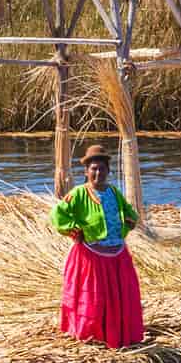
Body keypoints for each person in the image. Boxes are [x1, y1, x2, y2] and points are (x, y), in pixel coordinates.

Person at [50, 145, 143, 348]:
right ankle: (92, 334)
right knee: (93, 297)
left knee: (119, 296)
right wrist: (73, 230)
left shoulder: (114, 192)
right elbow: (58, 214)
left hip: (117, 253)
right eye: (94, 169)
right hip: (92, 255)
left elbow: (129, 211)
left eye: (102, 169)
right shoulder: (79, 194)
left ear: (108, 171)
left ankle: (116, 332)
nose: (98, 173)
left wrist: (129, 221)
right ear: (86, 171)